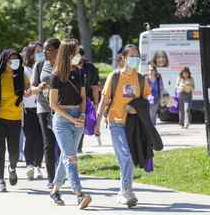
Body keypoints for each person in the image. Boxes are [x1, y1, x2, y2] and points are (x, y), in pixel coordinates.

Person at [94, 44, 151, 207]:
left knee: (127, 158)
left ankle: (122, 191)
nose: (135, 59)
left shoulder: (140, 79)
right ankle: (127, 191)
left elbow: (147, 99)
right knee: (126, 155)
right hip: (116, 123)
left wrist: (137, 108)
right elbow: (104, 101)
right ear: (124, 58)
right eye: (131, 56)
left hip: (134, 125)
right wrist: (97, 123)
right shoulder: (115, 76)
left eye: (137, 56)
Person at [49, 39, 91, 209]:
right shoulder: (56, 75)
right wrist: (72, 119)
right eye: (76, 51)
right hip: (62, 120)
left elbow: (83, 97)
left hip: (77, 117)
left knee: (66, 156)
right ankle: (79, 194)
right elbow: (53, 104)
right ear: (68, 53)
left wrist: (81, 114)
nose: (79, 55)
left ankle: (55, 190)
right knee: (71, 157)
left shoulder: (79, 72)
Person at [29, 38, 61, 189]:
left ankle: (61, 174)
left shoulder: (64, 65)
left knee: (61, 144)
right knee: (48, 143)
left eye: (48, 50)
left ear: (57, 50)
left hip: (61, 108)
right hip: (44, 108)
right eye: (44, 50)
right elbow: (31, 89)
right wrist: (39, 87)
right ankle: (51, 178)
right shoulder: (39, 65)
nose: (45, 52)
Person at [0, 49, 25, 192]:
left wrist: (32, 91)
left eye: (16, 59)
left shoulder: (21, 75)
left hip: (15, 119)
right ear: (4, 61)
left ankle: (12, 168)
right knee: (0, 150)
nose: (14, 62)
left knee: (14, 153)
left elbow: (29, 89)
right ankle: (0, 180)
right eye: (11, 59)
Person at [21, 42, 44, 180]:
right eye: (37, 51)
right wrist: (31, 90)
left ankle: (38, 166)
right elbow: (23, 91)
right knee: (30, 137)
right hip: (27, 108)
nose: (40, 54)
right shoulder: (24, 70)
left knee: (41, 139)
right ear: (30, 53)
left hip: (42, 107)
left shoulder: (45, 68)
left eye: (42, 51)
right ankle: (29, 165)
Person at [77, 46, 101, 153]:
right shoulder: (68, 67)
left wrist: (96, 103)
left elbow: (95, 87)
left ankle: (79, 148)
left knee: (82, 123)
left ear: (83, 56)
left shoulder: (90, 68)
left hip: (86, 100)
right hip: (70, 100)